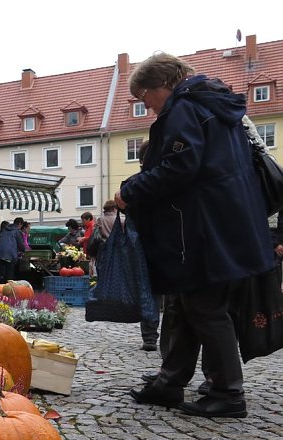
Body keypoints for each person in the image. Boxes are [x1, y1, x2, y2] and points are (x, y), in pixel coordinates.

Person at [115, 53, 274, 419]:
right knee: (191, 304)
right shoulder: (214, 106)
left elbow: (180, 166)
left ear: (163, 85)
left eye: (146, 98)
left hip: (204, 228)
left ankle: (227, 392)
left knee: (205, 307)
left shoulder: (185, 108)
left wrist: (132, 189)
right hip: (226, 223)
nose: (148, 107)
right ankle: (170, 382)